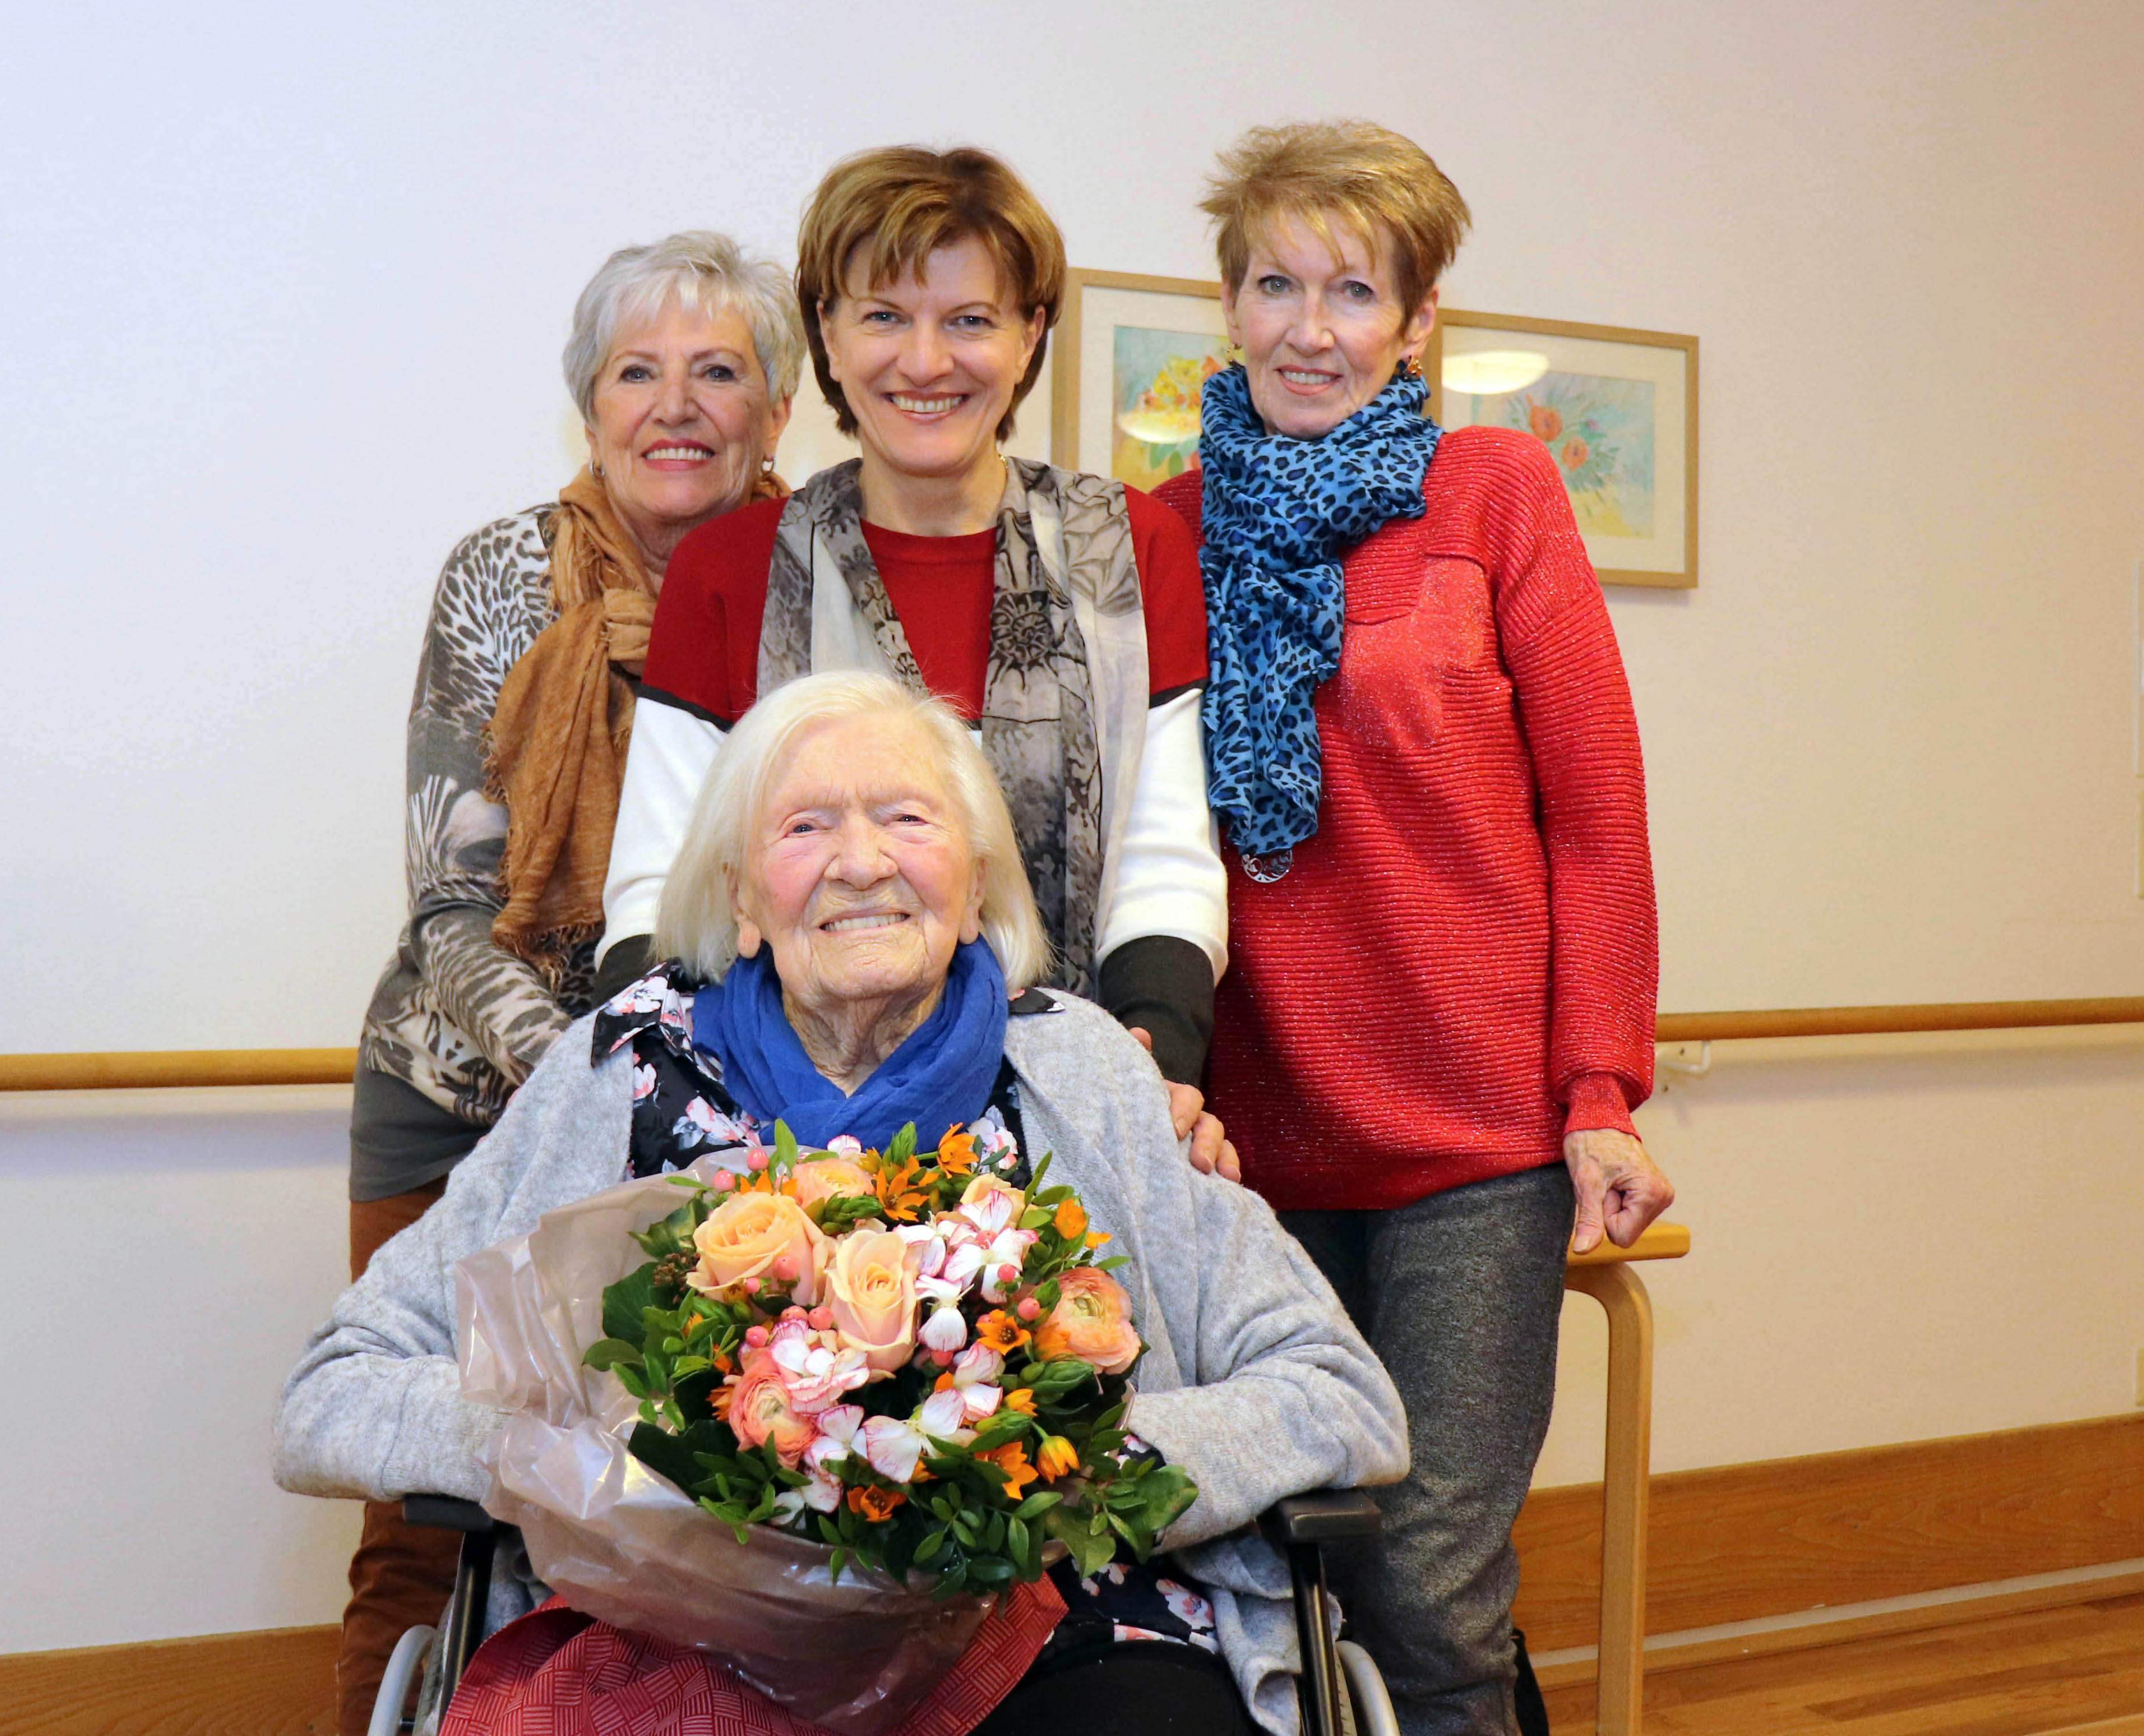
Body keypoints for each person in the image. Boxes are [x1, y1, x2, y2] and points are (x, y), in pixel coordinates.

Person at [277, 672, 1407, 1736]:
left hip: (1067, 1625)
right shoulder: (613, 1075)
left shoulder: (1089, 1077)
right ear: (739, 897)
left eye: (908, 821)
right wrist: (597, 1462)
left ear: (974, 886)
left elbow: (1339, 1394)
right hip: (690, 1637)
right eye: (805, 827)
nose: (861, 861)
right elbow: (335, 1391)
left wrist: (1055, 1456)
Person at [1153, 121, 1674, 1736]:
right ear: (1226, 306)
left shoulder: (1492, 489)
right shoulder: (1157, 528)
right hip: (1248, 1147)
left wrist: (1598, 1088)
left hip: (1472, 1144)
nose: (1310, 326)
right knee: (1271, 1572)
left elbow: (1592, 816)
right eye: (1273, 284)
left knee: (1431, 1583)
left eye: (1351, 289)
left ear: (1417, 317)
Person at [335, 230, 800, 1734]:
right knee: (429, 1528)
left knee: (704, 1519)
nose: (676, 404)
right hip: (468, 1107)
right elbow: (449, 904)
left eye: (717, 368)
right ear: (588, 404)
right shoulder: (503, 575)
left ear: (774, 406)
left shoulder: (813, 579)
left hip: (740, 1126)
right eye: (636, 371)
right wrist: (607, 1076)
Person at [596, 146, 1237, 1176]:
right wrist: (706, 1117)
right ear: (828, 339)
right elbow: (656, 897)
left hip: (1073, 1116)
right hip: (775, 1131)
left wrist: (1143, 1074)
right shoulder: (731, 569)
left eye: (970, 320)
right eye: (883, 316)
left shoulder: (1133, 550)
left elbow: (1163, 867)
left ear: (1030, 336)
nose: (925, 361)